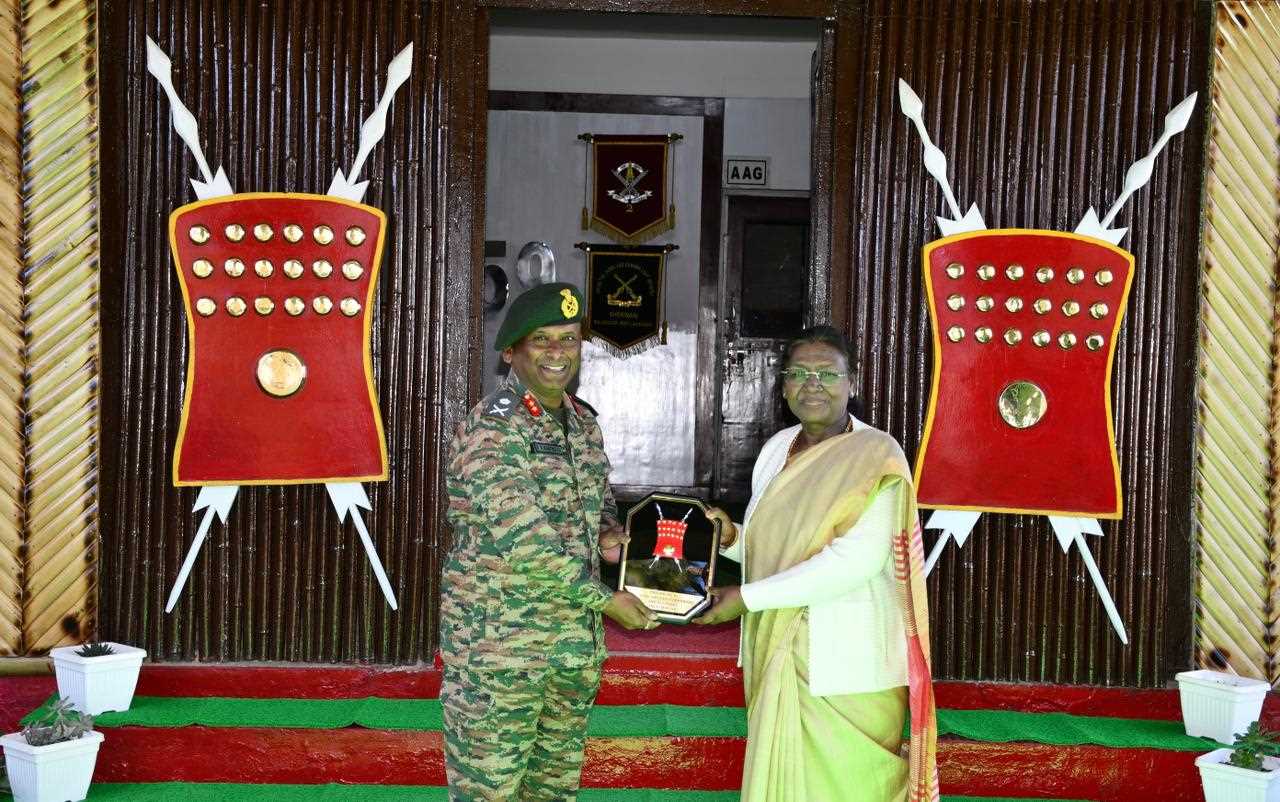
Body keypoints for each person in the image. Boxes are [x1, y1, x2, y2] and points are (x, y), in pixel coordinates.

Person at [695, 325, 938, 802]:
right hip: (777, 649)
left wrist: (746, 598)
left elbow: (857, 560)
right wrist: (731, 539)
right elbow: (774, 549)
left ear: (852, 382)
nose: (812, 385)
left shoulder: (878, 455)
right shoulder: (776, 450)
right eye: (799, 373)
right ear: (784, 385)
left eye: (827, 373)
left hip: (849, 663)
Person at [439, 282, 658, 802]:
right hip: (501, 650)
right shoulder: (494, 428)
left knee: (552, 792)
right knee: (491, 791)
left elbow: (596, 506)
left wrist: (608, 537)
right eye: (541, 339)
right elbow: (524, 541)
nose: (557, 352)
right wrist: (607, 600)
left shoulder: (582, 424)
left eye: (569, 338)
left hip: (570, 648)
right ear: (511, 351)